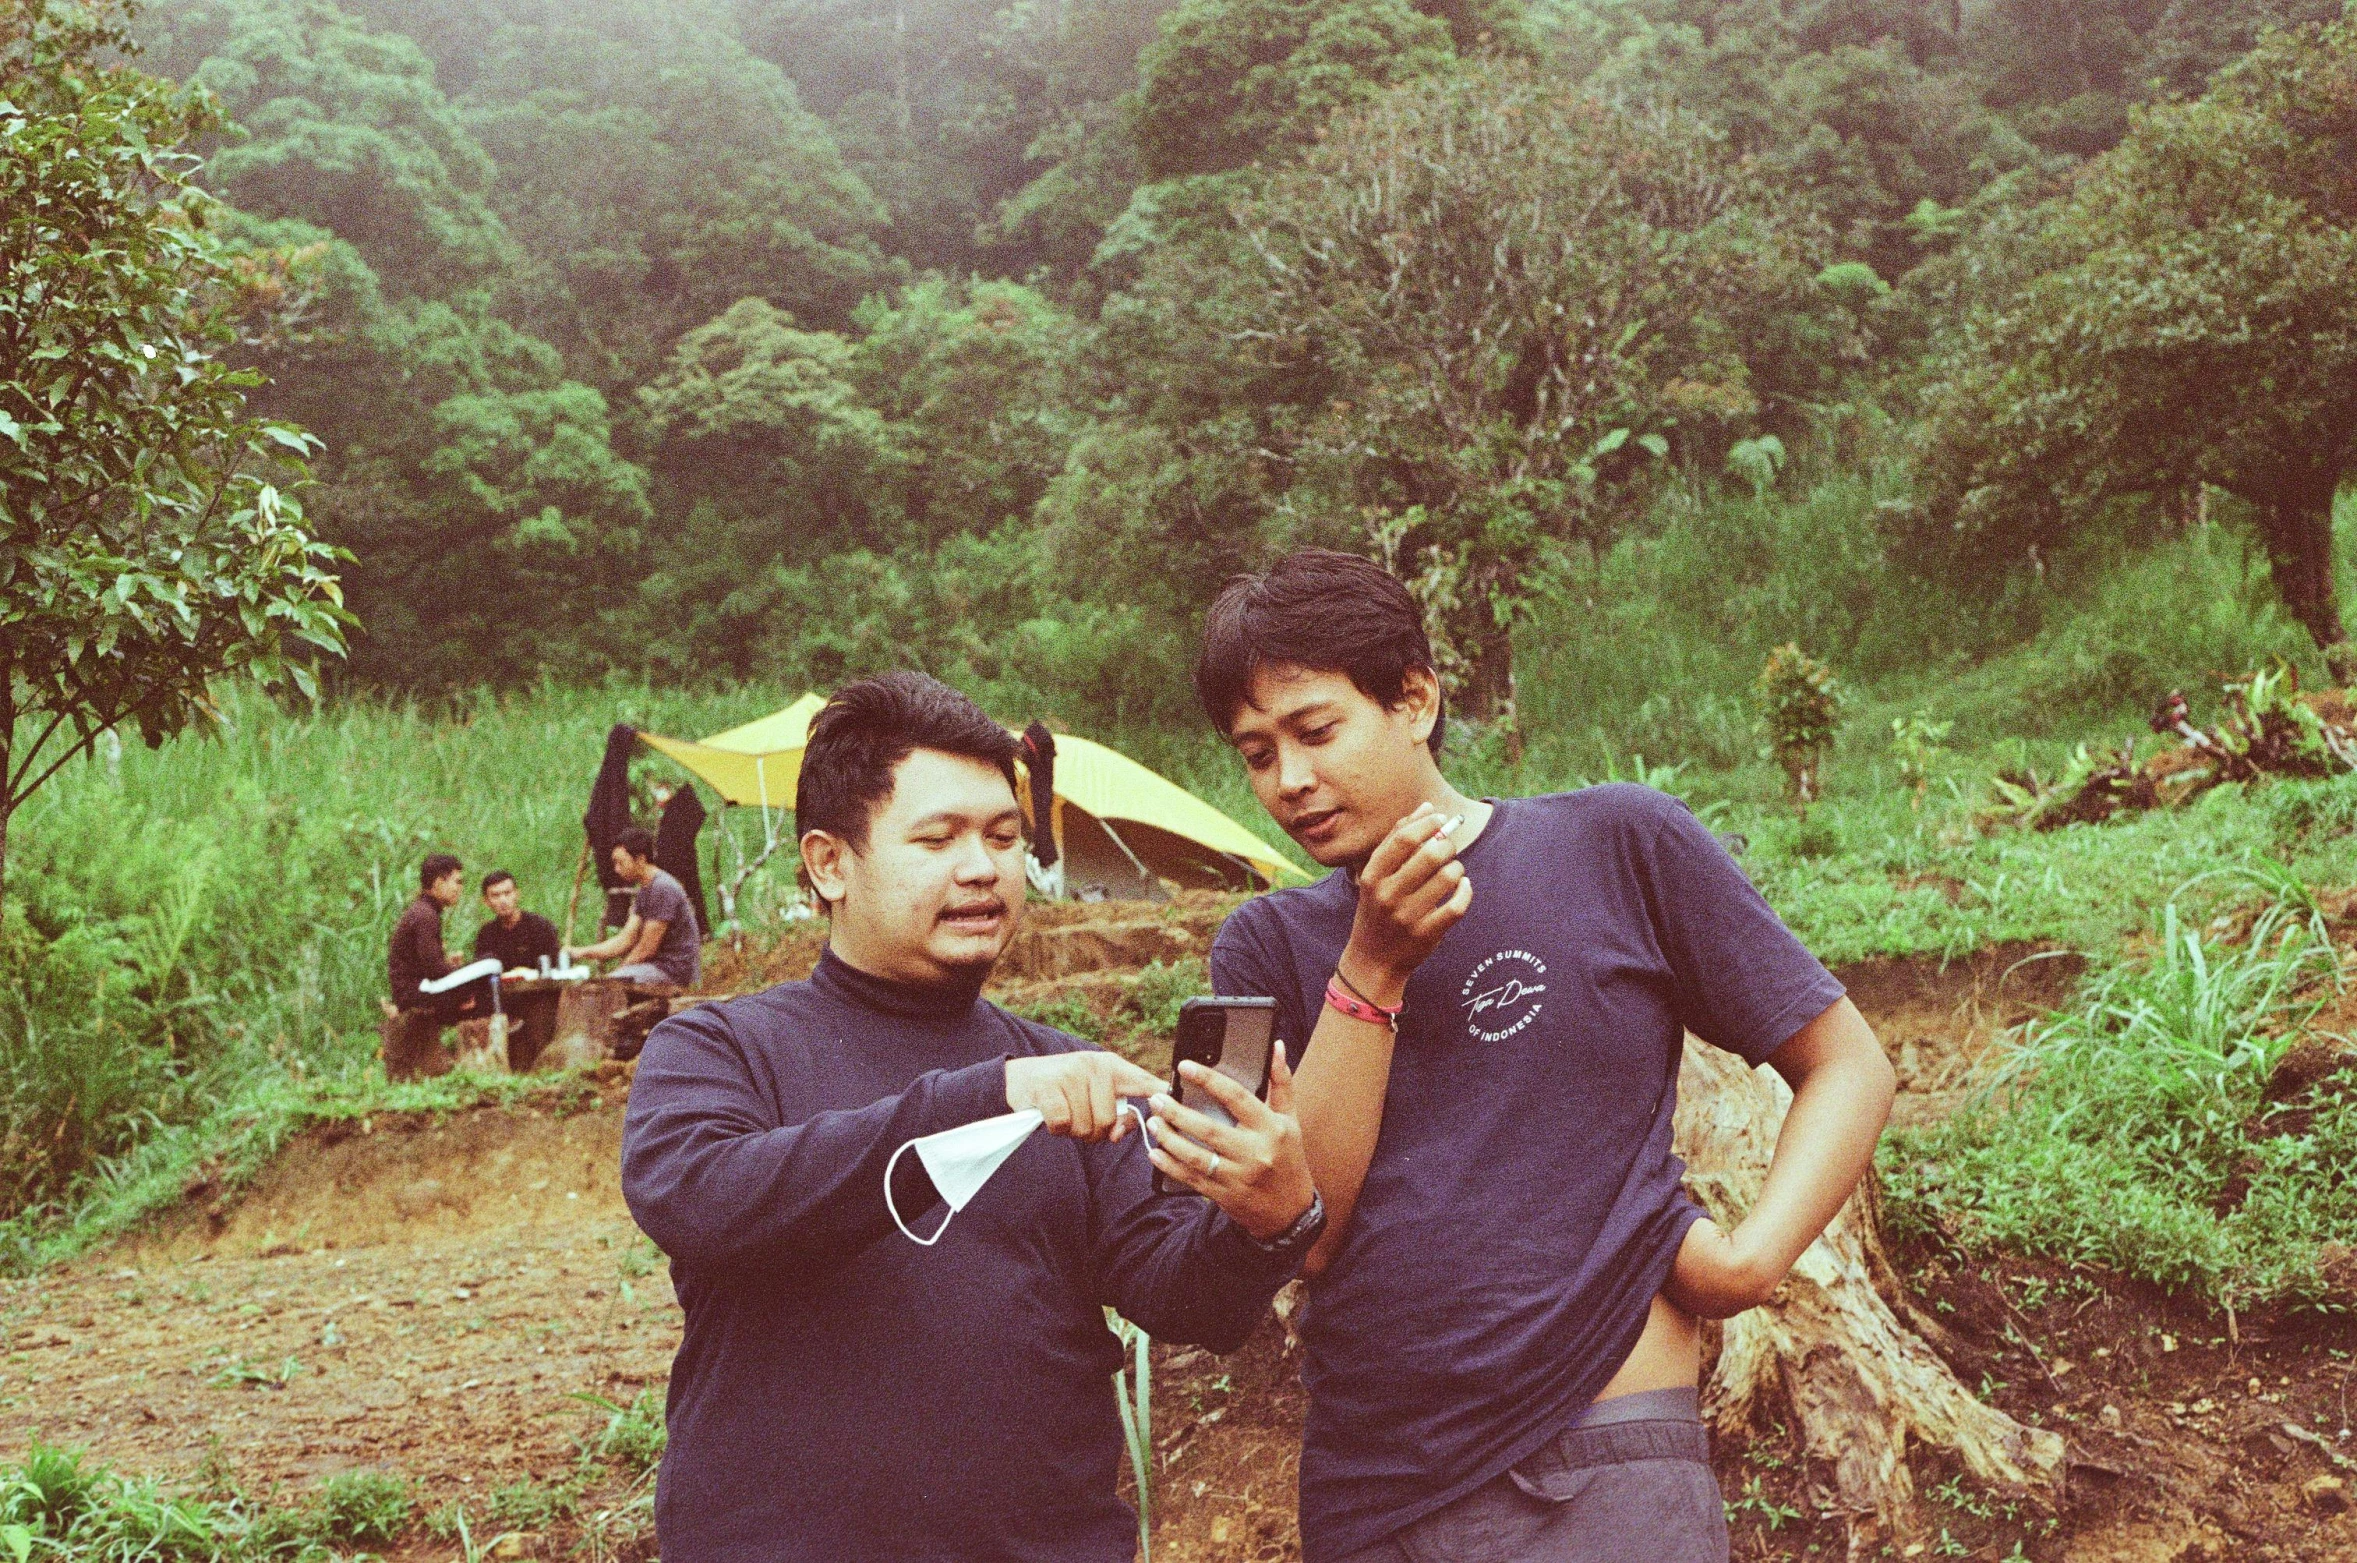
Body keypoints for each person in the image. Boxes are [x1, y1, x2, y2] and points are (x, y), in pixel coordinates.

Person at [1193, 550, 1898, 1563]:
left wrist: (1747, 1265)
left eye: (1314, 730)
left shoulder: (1616, 845)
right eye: (1256, 755)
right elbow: (1305, 1234)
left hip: (1605, 1461)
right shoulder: (1264, 946)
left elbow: (1846, 1062)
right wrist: (1371, 971)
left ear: (1414, 700)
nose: (1290, 781)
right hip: (1372, 1482)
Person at [620, 671, 1325, 1562]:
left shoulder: (1062, 1070)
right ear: (829, 861)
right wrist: (984, 1098)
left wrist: (1267, 1220)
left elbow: (1183, 1298)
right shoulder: (721, 1049)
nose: (982, 867)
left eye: (1002, 837)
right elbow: (701, 1199)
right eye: (937, 837)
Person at [568, 826, 700, 988]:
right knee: (605, 983)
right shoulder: (645, 890)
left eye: (620, 863)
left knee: (605, 987)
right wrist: (582, 952)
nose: (616, 869)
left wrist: (619, 972)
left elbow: (647, 948)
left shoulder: (662, 887)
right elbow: (626, 938)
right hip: (655, 967)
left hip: (672, 970)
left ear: (641, 859)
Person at [387, 853, 486, 1021]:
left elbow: (426, 965)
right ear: (440, 883)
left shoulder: (423, 910)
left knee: (480, 973)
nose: (459, 889)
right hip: (415, 994)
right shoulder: (426, 915)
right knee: (490, 963)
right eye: (457, 882)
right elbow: (435, 971)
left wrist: (449, 966)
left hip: (413, 990)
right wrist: (456, 973)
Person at [473, 869, 562, 975]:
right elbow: (482, 973)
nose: (503, 900)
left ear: (517, 894)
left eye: (507, 893)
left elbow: (556, 967)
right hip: (502, 990)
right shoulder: (486, 934)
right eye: (495, 895)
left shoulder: (540, 927)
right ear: (486, 901)